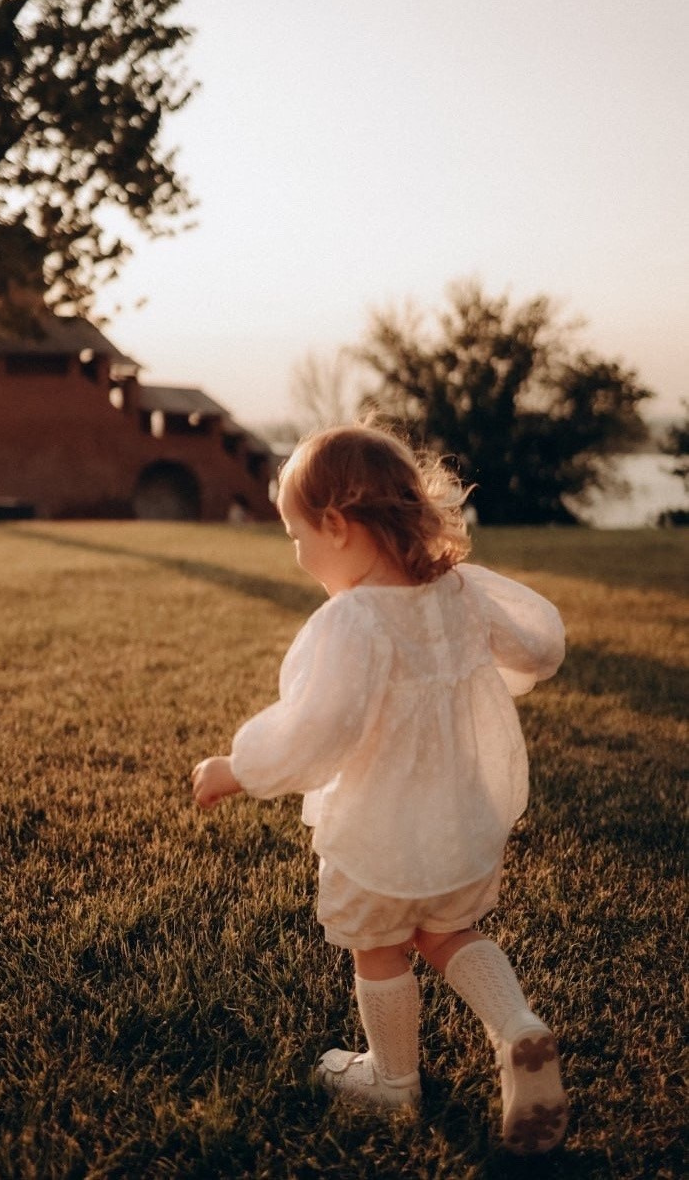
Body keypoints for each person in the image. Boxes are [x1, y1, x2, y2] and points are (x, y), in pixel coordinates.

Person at [191, 420, 569, 1155]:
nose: (299, 555)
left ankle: (392, 1080)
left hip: (377, 827)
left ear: (335, 526)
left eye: (297, 536)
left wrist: (237, 768)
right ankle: (518, 1027)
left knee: (380, 945)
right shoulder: (454, 591)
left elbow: (315, 728)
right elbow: (535, 645)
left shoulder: (353, 619)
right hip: (462, 819)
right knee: (448, 930)